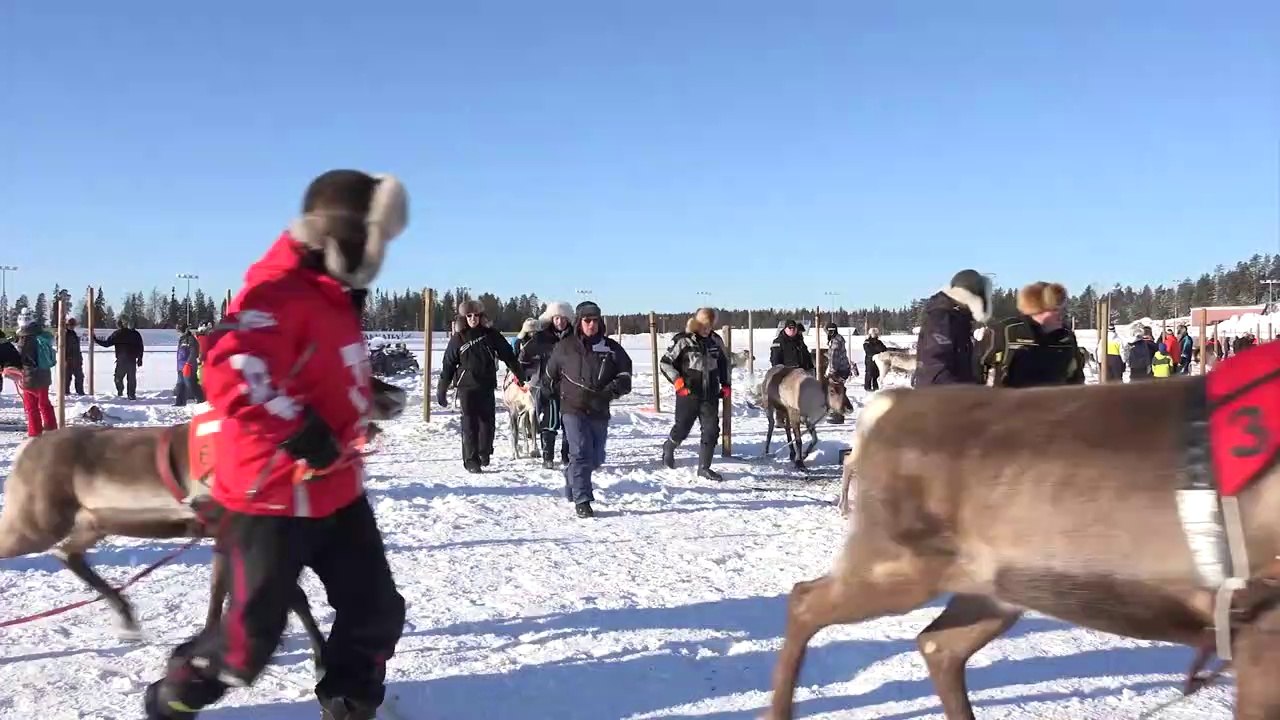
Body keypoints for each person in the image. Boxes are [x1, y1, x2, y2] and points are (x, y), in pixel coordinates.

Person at [143, 169, 409, 720]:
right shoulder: (276, 288)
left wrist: (361, 401)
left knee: (375, 610)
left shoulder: (335, 295)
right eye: (370, 239)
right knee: (247, 648)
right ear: (337, 235)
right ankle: (175, 695)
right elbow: (233, 368)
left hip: (335, 488)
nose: (378, 254)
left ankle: (348, 702)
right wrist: (302, 429)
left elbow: (315, 369)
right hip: (269, 498)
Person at [545, 300, 633, 518]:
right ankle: (583, 499)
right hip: (572, 409)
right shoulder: (565, 347)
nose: (591, 324)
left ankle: (570, 475)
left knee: (596, 458)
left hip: (599, 409)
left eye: (595, 320)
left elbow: (625, 377)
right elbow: (550, 375)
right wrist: (555, 395)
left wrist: (611, 391)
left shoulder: (611, 348)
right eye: (587, 320)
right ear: (579, 322)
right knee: (581, 451)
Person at [437, 300, 524, 473]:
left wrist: (519, 374)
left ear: (481, 316)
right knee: (469, 423)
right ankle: (471, 460)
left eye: (476, 315)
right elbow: (448, 364)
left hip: (486, 384)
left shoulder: (491, 335)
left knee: (487, 423)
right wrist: (442, 388)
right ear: (464, 318)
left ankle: (484, 452)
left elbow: (508, 354)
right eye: (469, 316)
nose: (473, 319)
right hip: (466, 386)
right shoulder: (458, 338)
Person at [659, 307, 730, 480]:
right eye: (704, 325)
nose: (707, 329)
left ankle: (704, 467)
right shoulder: (683, 340)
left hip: (710, 394)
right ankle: (669, 446)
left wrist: (725, 384)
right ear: (697, 323)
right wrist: (677, 381)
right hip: (688, 394)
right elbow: (665, 363)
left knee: (711, 430)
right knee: (682, 428)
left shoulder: (716, 341)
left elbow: (723, 363)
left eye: (710, 325)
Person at [977, 281, 1085, 388]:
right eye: (1056, 309)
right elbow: (979, 365)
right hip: (1012, 402)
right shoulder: (1007, 331)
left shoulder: (1066, 337)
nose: (1062, 314)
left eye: (1063, 309)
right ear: (1038, 309)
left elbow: (1077, 377)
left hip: (1056, 403)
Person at [518, 301, 574, 468]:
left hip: (571, 389)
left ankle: (567, 456)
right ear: (551, 319)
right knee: (549, 423)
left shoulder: (575, 337)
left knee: (570, 424)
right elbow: (524, 356)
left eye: (564, 318)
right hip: (549, 387)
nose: (560, 322)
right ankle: (547, 457)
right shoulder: (541, 337)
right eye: (557, 318)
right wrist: (526, 372)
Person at [913, 269, 991, 386]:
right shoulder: (942, 319)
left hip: (953, 397)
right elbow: (936, 368)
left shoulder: (957, 319)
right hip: (940, 400)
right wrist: (970, 394)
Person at [14, 309, 57, 437]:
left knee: (31, 407)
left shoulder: (25, 339)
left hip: (30, 377)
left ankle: (35, 433)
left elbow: (21, 358)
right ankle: (52, 429)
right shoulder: (41, 335)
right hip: (44, 375)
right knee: (44, 404)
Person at [94, 317, 144, 399]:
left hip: (122, 360)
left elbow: (106, 344)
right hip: (130, 360)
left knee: (118, 378)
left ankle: (121, 391)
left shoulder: (118, 333)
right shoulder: (135, 334)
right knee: (131, 378)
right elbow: (140, 347)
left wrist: (96, 340)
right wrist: (140, 358)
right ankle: (131, 394)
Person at [173, 321, 203, 406]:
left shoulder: (191, 339)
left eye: (180, 330)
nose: (179, 332)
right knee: (180, 384)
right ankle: (180, 402)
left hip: (189, 365)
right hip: (180, 366)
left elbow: (194, 352)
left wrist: (188, 363)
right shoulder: (181, 339)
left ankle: (200, 398)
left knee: (190, 383)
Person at [63, 314, 85, 396]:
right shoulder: (64, 334)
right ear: (67, 325)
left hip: (76, 359)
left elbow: (77, 347)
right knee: (67, 377)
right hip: (68, 359)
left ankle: (80, 391)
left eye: (73, 325)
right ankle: (66, 392)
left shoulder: (73, 333)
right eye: (70, 325)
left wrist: (80, 358)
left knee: (79, 376)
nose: (72, 327)